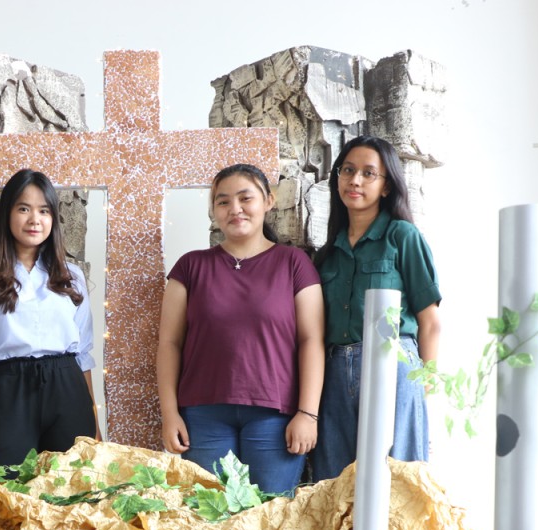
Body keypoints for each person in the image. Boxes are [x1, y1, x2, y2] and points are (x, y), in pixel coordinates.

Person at [156, 163, 324, 496]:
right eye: (223, 202)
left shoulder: (294, 263)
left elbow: (311, 340)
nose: (235, 209)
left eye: (245, 198)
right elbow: (169, 343)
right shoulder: (191, 266)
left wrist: (308, 413)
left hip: (275, 415)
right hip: (202, 416)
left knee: (269, 520)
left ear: (268, 201)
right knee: (208, 522)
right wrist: (169, 413)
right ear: (213, 210)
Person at [309, 134, 443, 483]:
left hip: (394, 365)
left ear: (386, 186)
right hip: (336, 372)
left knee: (396, 480)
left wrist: (422, 386)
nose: (355, 180)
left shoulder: (402, 236)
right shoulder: (327, 254)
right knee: (334, 483)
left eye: (369, 173)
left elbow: (430, 322)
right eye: (348, 170)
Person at [0, 169, 98, 469]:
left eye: (44, 211)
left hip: (67, 387)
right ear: (7, 213)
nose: (35, 219)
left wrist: (95, 424)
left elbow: (83, 355)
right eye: (24, 208)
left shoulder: (73, 278)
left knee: (71, 490)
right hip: (7, 391)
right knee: (6, 489)